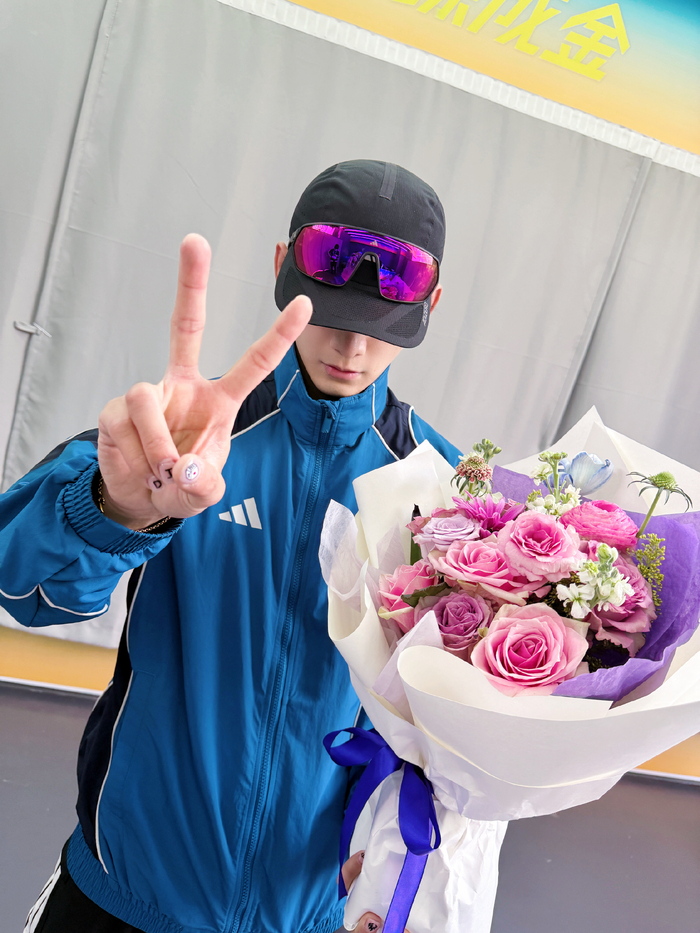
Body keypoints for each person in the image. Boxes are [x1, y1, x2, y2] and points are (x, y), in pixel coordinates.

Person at [2, 160, 460, 933]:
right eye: (332, 310)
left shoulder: (443, 492)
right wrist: (113, 508)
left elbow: (446, 728)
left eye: (382, 322)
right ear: (282, 266)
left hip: (306, 911)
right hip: (124, 893)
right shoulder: (185, 440)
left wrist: (392, 861)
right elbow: (25, 586)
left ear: (430, 303)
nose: (352, 344)